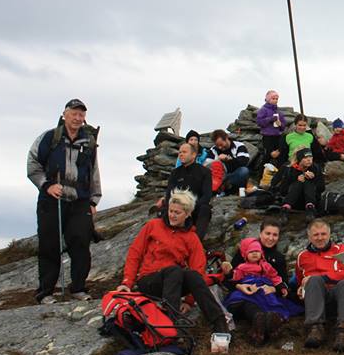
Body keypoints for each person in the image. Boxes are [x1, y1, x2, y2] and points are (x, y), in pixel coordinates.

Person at [117, 190, 230, 335]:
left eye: (177, 212)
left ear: (187, 214)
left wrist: (189, 301)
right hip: (149, 281)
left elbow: (198, 269)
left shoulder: (191, 237)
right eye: (171, 211)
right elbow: (135, 253)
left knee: (193, 275)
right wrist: (127, 282)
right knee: (174, 270)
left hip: (174, 283)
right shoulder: (153, 226)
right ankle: (173, 322)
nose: (172, 215)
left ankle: (220, 324)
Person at [27, 98, 101, 304]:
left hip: (80, 201)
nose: (77, 118)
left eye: (81, 114)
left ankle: (78, 288)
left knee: (81, 243)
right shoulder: (49, 138)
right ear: (64, 115)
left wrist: (93, 201)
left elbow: (94, 171)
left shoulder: (88, 142)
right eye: (74, 113)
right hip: (51, 200)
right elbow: (32, 164)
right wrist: (46, 185)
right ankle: (45, 292)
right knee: (49, 245)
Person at [295, 219, 344, 352]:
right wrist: (301, 288)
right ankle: (315, 329)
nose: (320, 238)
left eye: (323, 234)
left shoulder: (342, 251)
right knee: (313, 280)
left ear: (329, 234)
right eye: (316, 235)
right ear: (309, 237)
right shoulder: (302, 256)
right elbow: (300, 280)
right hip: (318, 299)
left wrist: (324, 277)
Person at [224, 237, 301, 345]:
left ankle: (275, 319)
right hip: (249, 288)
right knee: (240, 297)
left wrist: (281, 287)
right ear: (245, 254)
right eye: (251, 252)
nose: (255, 254)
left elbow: (275, 277)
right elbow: (235, 277)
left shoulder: (266, 266)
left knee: (271, 301)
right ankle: (260, 322)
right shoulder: (242, 267)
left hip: (263, 288)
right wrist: (229, 273)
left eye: (257, 251)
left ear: (261, 253)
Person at [161, 143, 213, 240]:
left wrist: (189, 209)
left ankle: (196, 241)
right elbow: (169, 195)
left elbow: (207, 195)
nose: (181, 154)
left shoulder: (205, 172)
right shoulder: (175, 173)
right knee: (164, 210)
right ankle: (166, 239)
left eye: (184, 152)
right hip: (176, 209)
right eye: (180, 152)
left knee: (205, 209)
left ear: (193, 155)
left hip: (195, 209)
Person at [282, 149, 325, 215]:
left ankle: (310, 208)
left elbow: (322, 188)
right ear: (300, 160)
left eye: (310, 157)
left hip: (312, 201)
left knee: (308, 182)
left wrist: (314, 179)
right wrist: (296, 180)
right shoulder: (290, 170)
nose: (309, 160)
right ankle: (285, 209)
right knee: (299, 183)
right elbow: (283, 190)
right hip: (294, 201)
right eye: (305, 158)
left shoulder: (316, 168)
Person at [209, 129, 250, 194]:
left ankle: (223, 187)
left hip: (234, 175)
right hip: (220, 176)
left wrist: (229, 159)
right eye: (217, 145)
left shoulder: (239, 146)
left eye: (221, 144)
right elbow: (207, 165)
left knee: (244, 171)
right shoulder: (213, 150)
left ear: (226, 138)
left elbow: (244, 162)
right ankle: (220, 187)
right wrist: (218, 159)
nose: (220, 147)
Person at [256, 90, 288, 168]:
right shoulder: (263, 110)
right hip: (267, 137)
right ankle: (261, 173)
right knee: (268, 155)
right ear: (268, 99)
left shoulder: (279, 112)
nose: (275, 100)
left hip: (277, 136)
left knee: (281, 154)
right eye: (273, 98)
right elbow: (259, 122)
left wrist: (280, 124)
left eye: (277, 99)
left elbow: (283, 126)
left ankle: (279, 172)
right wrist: (270, 119)